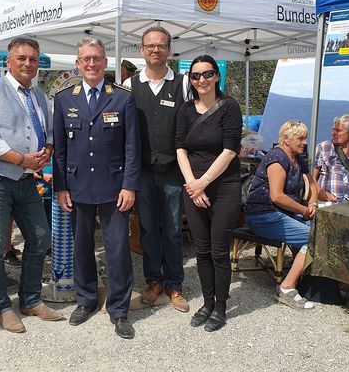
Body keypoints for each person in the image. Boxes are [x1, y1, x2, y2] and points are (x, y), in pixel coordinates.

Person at [0, 37, 63, 334]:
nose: (27, 63)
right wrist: (22, 159)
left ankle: (30, 299)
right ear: (8, 62)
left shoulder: (38, 95)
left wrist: (47, 150)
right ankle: (1, 306)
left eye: (32, 59)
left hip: (25, 180)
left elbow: (47, 132)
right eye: (21, 58)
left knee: (39, 236)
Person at [54, 37, 140, 339]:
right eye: (86, 59)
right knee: (82, 247)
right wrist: (61, 187)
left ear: (106, 63)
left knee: (118, 250)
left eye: (97, 58)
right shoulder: (64, 99)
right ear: (78, 64)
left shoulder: (122, 97)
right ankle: (86, 300)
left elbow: (132, 148)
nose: (91, 64)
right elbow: (60, 150)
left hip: (114, 187)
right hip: (78, 187)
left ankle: (118, 309)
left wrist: (130, 185)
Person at [123, 26, 188, 312]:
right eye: (150, 46)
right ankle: (154, 282)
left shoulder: (183, 84)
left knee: (173, 230)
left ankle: (175, 285)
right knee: (148, 229)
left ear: (169, 50)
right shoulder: (129, 86)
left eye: (161, 46)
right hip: (144, 171)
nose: (155, 50)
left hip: (174, 169)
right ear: (141, 50)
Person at [175, 55, 242, 332]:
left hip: (224, 185)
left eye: (207, 74)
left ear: (216, 76)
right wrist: (193, 185)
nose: (201, 80)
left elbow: (230, 150)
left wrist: (203, 181)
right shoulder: (186, 109)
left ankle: (222, 306)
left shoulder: (229, 107)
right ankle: (207, 302)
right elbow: (180, 148)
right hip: (194, 187)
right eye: (195, 75)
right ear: (190, 79)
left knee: (218, 250)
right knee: (201, 250)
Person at [245, 120, 319, 310]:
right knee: (314, 238)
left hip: (283, 214)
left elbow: (312, 184)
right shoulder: (277, 157)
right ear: (286, 139)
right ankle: (287, 288)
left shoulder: (297, 158)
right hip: (263, 215)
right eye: (300, 138)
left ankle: (310, 283)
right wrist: (304, 210)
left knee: (320, 230)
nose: (304, 142)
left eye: (305, 138)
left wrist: (312, 203)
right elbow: (276, 196)